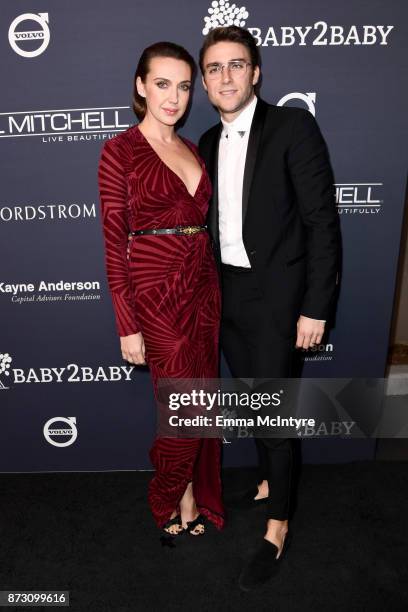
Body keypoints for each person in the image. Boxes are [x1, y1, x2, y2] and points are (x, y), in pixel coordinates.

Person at [198, 26, 340, 589]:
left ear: (255, 73)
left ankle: (278, 525)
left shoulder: (292, 126)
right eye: (214, 68)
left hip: (279, 302)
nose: (226, 76)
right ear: (205, 82)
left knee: (275, 415)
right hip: (226, 295)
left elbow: (322, 222)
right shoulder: (207, 142)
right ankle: (265, 482)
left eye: (236, 65)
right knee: (256, 403)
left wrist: (315, 307)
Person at [98, 41, 225, 541]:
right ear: (141, 86)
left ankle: (194, 491)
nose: (174, 97)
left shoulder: (193, 149)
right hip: (156, 290)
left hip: (204, 286)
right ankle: (170, 493)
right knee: (181, 402)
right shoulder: (119, 150)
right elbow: (113, 242)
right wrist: (126, 323)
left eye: (184, 86)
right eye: (162, 84)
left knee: (202, 401)